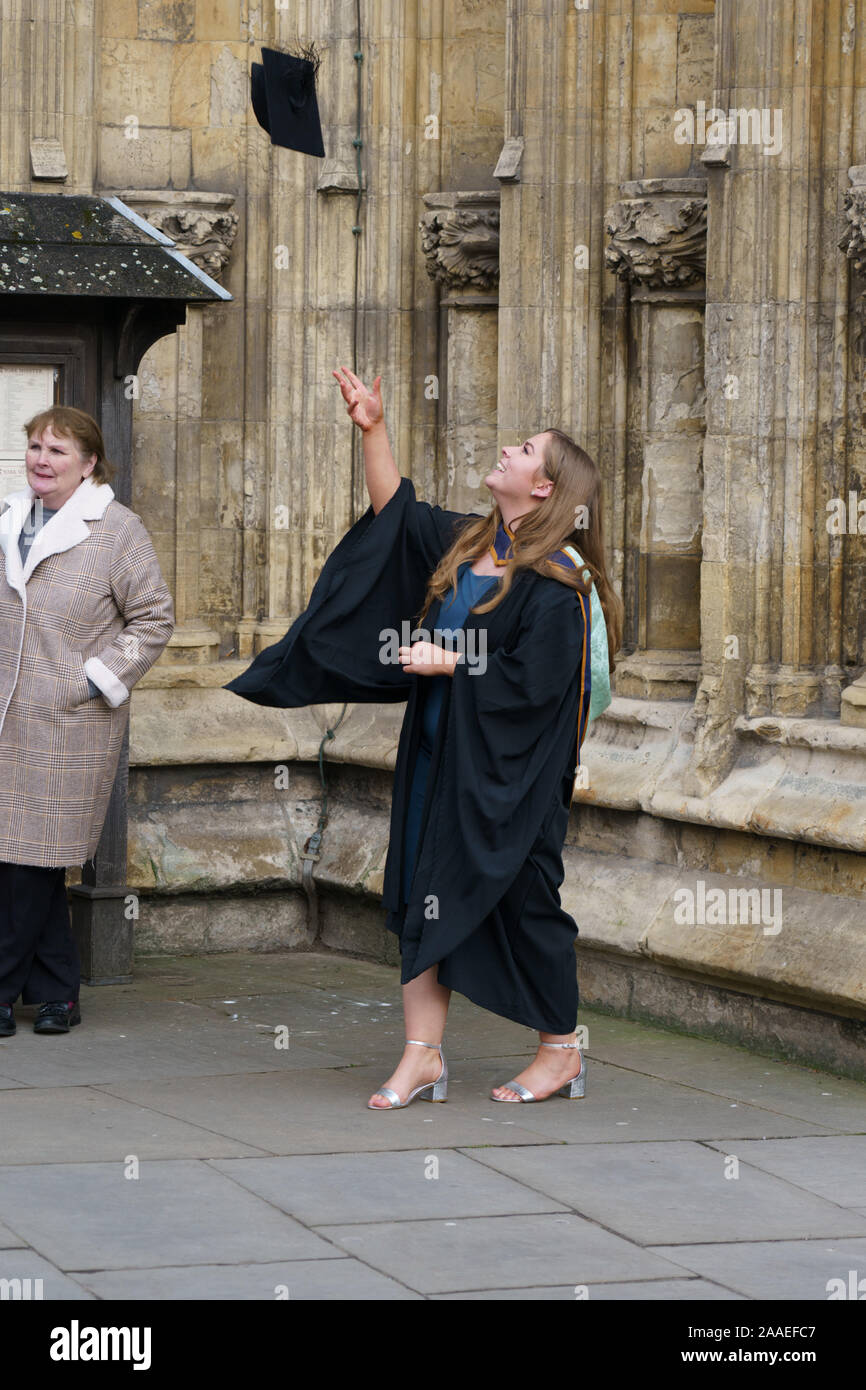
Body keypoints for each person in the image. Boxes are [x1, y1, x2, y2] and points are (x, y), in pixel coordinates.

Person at [225, 368, 623, 1107]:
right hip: (439, 751)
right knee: (419, 892)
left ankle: (561, 1050)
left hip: (509, 778)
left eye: (526, 448)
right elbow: (396, 514)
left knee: (525, 903)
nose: (508, 449)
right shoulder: (469, 540)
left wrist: (455, 660)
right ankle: (422, 1056)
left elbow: (535, 685)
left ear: (546, 489)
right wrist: (372, 429)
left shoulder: (559, 584)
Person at [0, 407, 174, 1037]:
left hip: (70, 723)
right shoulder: (8, 520)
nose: (42, 460)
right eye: (36, 447)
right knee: (21, 858)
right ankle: (57, 993)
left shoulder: (116, 531)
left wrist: (86, 682)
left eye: (59, 452)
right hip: (6, 720)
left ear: (89, 464)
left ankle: (4, 985)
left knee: (31, 858)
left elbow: (153, 620)